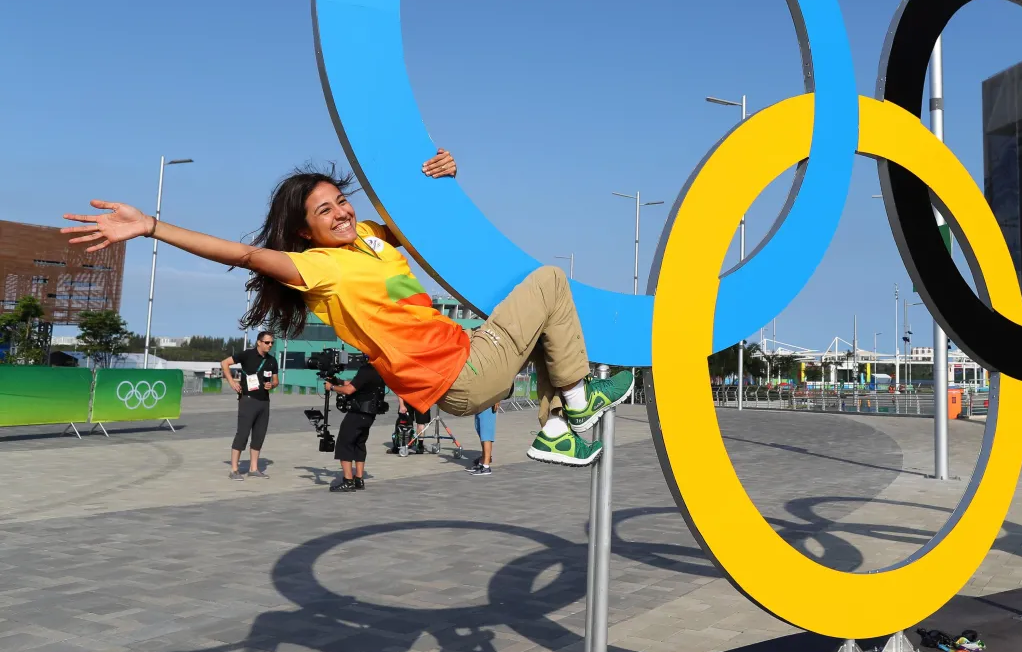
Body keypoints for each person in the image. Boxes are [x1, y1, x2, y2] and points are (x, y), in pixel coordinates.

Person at [62, 148, 632, 468]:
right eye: (323, 211)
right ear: (303, 230)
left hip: (463, 360)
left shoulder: (372, 240)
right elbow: (241, 253)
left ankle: (560, 418)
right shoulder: (320, 270)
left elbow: (430, 227)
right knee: (552, 281)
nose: (339, 214)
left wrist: (440, 175)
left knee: (538, 324)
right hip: (455, 376)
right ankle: (574, 413)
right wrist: (152, 226)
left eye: (340, 202)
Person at [221, 331, 278, 481]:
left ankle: (254, 468)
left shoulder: (272, 360)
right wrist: (232, 382)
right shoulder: (247, 355)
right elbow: (224, 363)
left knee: (259, 435)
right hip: (248, 400)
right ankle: (234, 469)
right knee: (243, 434)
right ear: (259, 342)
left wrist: (271, 385)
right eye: (267, 342)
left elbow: (276, 381)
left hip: (264, 402)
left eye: (272, 342)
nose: (270, 345)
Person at [325, 360, 388, 492]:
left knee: (344, 443)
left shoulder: (366, 370)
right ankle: (359, 479)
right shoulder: (380, 370)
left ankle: (348, 481)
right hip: (370, 414)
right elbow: (356, 384)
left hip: (358, 413)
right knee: (359, 443)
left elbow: (349, 390)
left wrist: (331, 387)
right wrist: (339, 381)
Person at [472, 402, 498, 476]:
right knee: (481, 431)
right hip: (480, 404)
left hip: (489, 405)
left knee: (486, 435)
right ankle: (483, 461)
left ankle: (486, 466)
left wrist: (497, 399)